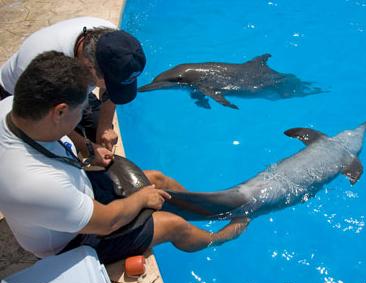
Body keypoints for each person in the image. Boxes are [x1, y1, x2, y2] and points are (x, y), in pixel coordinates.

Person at [0, 51, 249, 264]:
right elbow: (108, 222)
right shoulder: (36, 185)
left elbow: (64, 136)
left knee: (157, 179)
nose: (83, 116)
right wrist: (141, 198)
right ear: (60, 111)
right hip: (69, 242)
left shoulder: (14, 108)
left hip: (71, 197)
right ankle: (218, 238)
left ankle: (208, 213)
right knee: (173, 225)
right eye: (81, 109)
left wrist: (88, 146)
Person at [0, 17, 139, 168]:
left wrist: (105, 125)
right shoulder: (41, 65)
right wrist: (85, 147)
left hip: (72, 88)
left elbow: (109, 87)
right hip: (28, 103)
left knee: (100, 134)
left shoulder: (113, 42)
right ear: (90, 68)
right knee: (64, 158)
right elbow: (49, 121)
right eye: (111, 84)